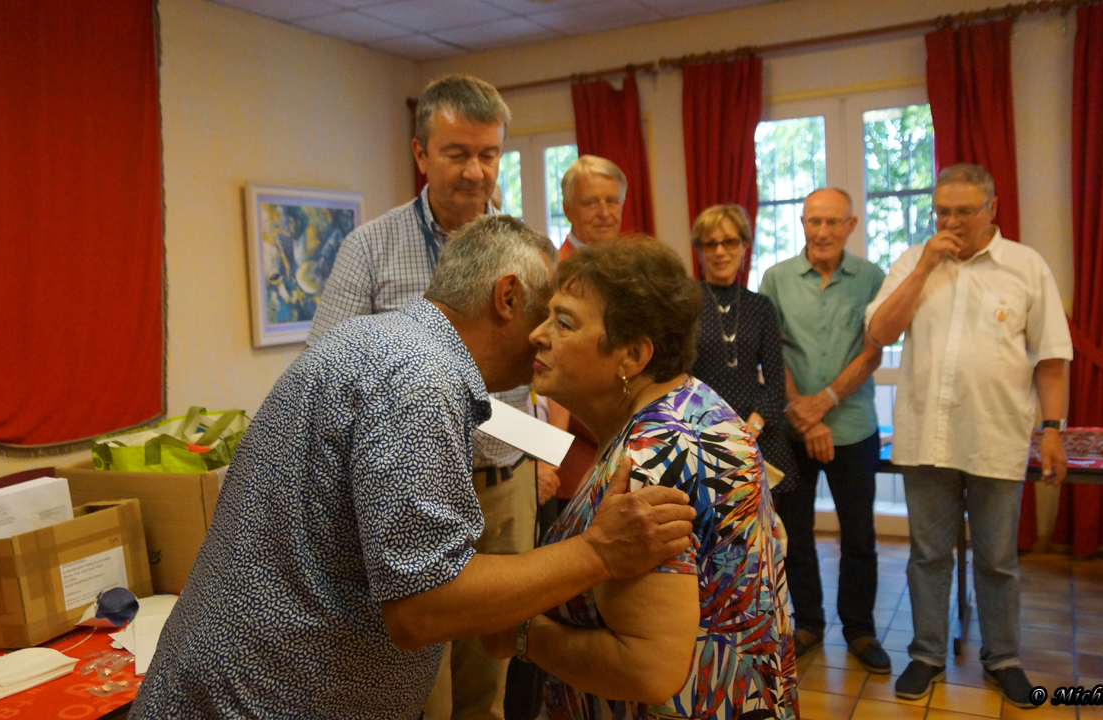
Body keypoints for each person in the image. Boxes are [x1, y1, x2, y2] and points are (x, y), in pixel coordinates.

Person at [129, 217, 697, 720]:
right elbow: (422, 607)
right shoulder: (420, 380)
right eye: (545, 313)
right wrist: (597, 552)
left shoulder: (383, 341)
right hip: (265, 699)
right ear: (506, 297)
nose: (544, 336)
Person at [489, 239, 798, 720]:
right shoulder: (691, 402)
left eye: (564, 322)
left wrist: (522, 632)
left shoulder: (655, 459)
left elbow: (647, 671)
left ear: (632, 356)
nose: (537, 335)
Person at [306, 74, 535, 720]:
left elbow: (542, 364)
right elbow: (328, 370)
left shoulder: (523, 248)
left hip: (504, 487)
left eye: (487, 154)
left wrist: (545, 458)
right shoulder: (370, 250)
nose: (474, 171)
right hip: (413, 496)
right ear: (420, 155)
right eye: (456, 153)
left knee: (488, 684)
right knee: (421, 690)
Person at [865, 164, 1071, 708]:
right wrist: (926, 264)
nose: (951, 221)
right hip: (925, 438)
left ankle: (1003, 657)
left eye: (964, 211)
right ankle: (927, 653)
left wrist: (1053, 430)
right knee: (928, 554)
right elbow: (880, 332)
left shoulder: (1026, 267)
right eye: (943, 212)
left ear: (992, 209)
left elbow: (1051, 358)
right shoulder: (914, 260)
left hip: (996, 436)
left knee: (997, 558)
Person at [758, 188, 890, 673]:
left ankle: (859, 628)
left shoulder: (874, 278)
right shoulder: (776, 278)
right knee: (796, 533)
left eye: (834, 222)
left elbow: (873, 350)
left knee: (859, 534)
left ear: (852, 225)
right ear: (802, 222)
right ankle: (808, 622)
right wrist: (799, 410)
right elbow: (770, 351)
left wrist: (824, 404)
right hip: (792, 432)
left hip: (853, 429)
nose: (823, 232)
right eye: (815, 221)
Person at [538, 156, 629, 519]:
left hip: (626, 444)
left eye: (612, 201)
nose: (604, 212)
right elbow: (552, 366)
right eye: (591, 202)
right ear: (567, 208)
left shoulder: (629, 272)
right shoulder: (552, 273)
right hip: (572, 458)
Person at [689, 204, 799, 498]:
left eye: (729, 242)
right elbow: (676, 377)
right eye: (710, 244)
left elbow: (776, 380)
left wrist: (752, 428)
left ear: (744, 246)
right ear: (700, 250)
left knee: (778, 530)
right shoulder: (685, 305)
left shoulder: (760, 306)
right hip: (702, 433)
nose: (720, 251)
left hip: (759, 431)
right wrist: (714, 431)